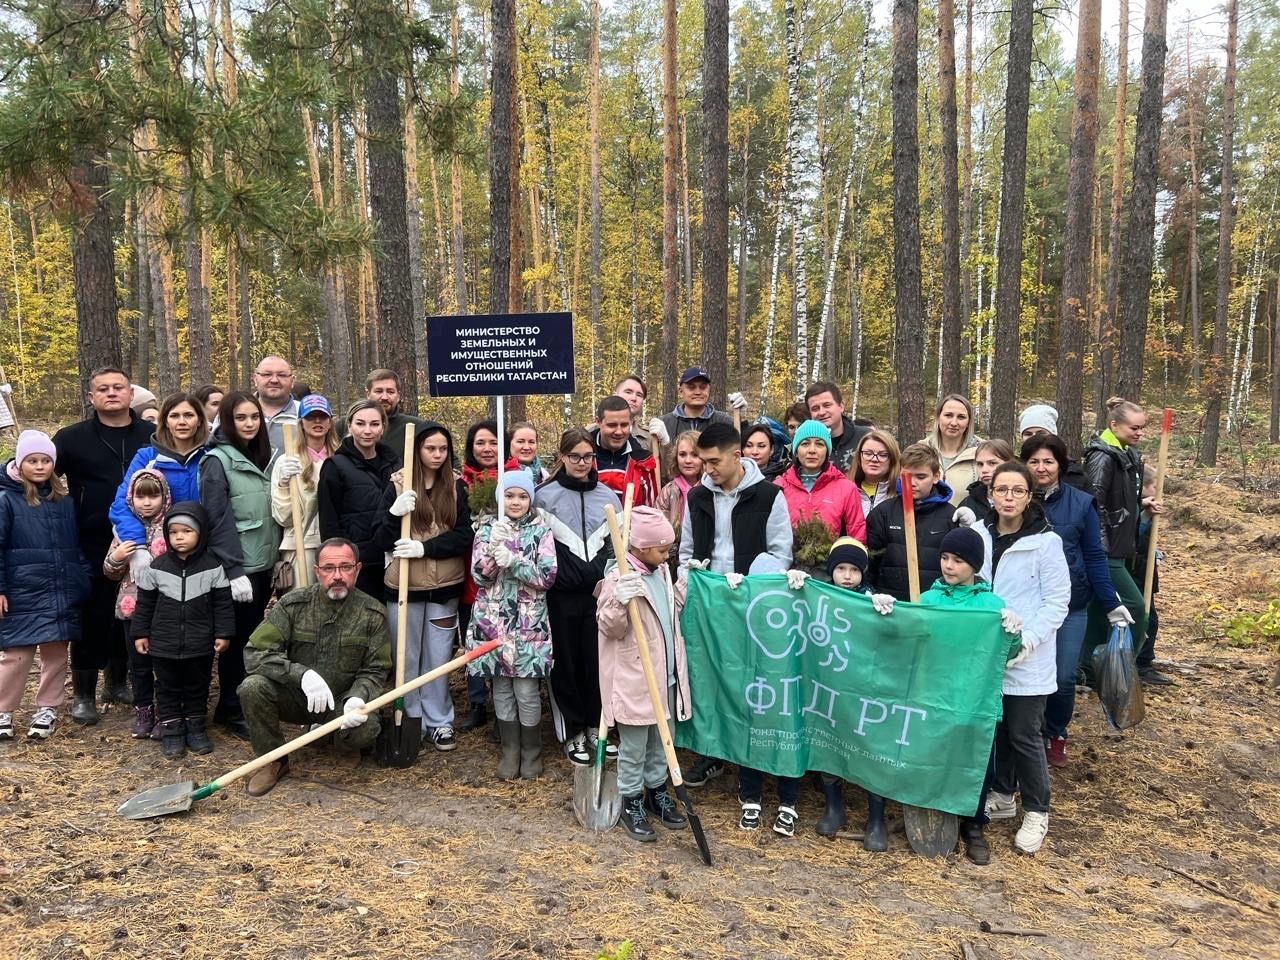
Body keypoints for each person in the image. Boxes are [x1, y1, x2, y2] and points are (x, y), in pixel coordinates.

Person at [678, 423, 793, 824]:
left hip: (754, 605)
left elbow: (781, 552)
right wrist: (691, 580)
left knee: (754, 681)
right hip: (711, 604)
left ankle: (756, 760)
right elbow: (688, 551)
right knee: (712, 678)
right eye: (701, 461)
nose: (705, 468)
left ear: (736, 456)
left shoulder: (769, 495)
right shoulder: (696, 497)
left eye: (713, 461)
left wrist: (753, 586)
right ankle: (714, 752)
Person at [238, 538, 392, 796]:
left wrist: (358, 697)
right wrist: (301, 675)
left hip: (342, 702)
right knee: (252, 688)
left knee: (366, 728)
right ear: (317, 571)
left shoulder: (372, 613)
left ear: (358, 569)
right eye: (329, 568)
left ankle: (342, 743)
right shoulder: (293, 605)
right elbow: (254, 653)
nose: (338, 576)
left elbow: (376, 669)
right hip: (299, 698)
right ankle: (274, 760)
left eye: (345, 567)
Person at [975, 461, 1070, 856]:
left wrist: (1027, 640)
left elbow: (1057, 601)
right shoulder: (979, 536)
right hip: (987, 653)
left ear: (1029, 496)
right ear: (990, 494)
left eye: (1017, 491)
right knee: (996, 731)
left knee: (1024, 733)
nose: (1009, 498)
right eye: (1002, 490)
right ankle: (1003, 793)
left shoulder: (1045, 542)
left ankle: (1037, 809)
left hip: (1027, 656)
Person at [53, 367, 155, 724]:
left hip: (144, 540)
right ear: (91, 397)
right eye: (103, 389)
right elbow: (38, 470)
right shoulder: (71, 438)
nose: (111, 393)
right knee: (93, 615)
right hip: (91, 539)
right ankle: (83, 693)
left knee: (130, 612)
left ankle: (117, 681)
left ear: (131, 394)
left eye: (118, 388)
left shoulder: (152, 435)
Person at [913, 527, 1020, 865]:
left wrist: (1013, 631)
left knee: (975, 763)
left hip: (974, 698)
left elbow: (1008, 650)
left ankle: (974, 824)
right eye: (945, 558)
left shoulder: (991, 606)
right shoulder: (929, 600)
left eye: (958, 560)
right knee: (933, 755)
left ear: (974, 565)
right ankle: (933, 812)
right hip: (935, 694)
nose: (948, 566)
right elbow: (909, 638)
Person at [1022, 432, 1125, 769]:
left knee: (1064, 675)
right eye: (1034, 461)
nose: (1041, 468)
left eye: (1048, 461)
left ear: (1061, 465)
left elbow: (1094, 556)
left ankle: (1056, 732)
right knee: (1025, 671)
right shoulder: (1016, 497)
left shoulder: (1081, 503)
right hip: (1026, 604)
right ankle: (1027, 731)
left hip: (1070, 604)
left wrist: (1111, 603)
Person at [596, 507, 691, 841]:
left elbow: (670, 611)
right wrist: (619, 602)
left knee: (659, 746)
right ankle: (630, 800)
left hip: (664, 679)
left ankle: (657, 794)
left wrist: (685, 583)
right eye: (662, 550)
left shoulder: (661, 572)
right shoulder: (618, 579)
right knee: (634, 749)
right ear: (639, 548)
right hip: (635, 681)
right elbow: (609, 627)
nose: (668, 556)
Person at [378, 422, 474, 751]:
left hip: (444, 587)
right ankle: (411, 718)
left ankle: (439, 720)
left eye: (442, 449)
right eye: (430, 448)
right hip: (404, 587)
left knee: (437, 658)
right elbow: (380, 536)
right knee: (406, 656)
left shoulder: (456, 486)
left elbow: (464, 535)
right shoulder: (399, 485)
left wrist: (426, 548)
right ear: (418, 450)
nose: (436, 454)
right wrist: (394, 513)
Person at [536, 428, 621, 763]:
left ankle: (596, 726)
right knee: (567, 662)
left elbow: (618, 545)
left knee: (598, 663)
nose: (582, 463)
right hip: (561, 595)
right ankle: (573, 730)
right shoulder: (545, 497)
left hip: (598, 595)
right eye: (575, 457)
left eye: (588, 456)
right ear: (562, 457)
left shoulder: (608, 497)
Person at [201, 391, 282, 739]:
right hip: (239, 568)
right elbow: (217, 519)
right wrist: (233, 570)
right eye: (241, 418)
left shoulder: (261, 455)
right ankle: (230, 708)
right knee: (237, 639)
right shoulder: (217, 461)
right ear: (227, 422)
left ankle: (243, 700)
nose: (249, 424)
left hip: (264, 563)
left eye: (254, 417)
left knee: (252, 635)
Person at [0, 431, 91, 741]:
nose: (39, 466)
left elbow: (73, 543)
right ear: (20, 462)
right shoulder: (5, 499)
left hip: (59, 587)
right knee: (16, 654)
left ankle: (48, 707)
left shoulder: (62, 501)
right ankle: (4, 709)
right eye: (32, 460)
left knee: (55, 652)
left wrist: (81, 576)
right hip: (21, 589)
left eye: (46, 461)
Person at [467, 472, 557, 780]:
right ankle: (510, 749)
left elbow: (546, 577)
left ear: (531, 499)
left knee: (526, 690)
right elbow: (479, 578)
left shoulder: (541, 531)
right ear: (499, 499)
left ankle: (531, 751)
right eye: (509, 496)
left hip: (528, 624)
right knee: (502, 689)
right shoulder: (486, 530)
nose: (515, 502)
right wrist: (492, 553)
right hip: (494, 622)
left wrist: (514, 559)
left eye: (522, 496)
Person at [131, 503, 235, 758]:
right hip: (163, 643)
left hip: (199, 642)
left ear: (200, 534)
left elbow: (222, 604)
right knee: (166, 687)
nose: (179, 537)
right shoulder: (157, 567)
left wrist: (223, 633)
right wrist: (141, 633)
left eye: (187, 531)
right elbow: (144, 604)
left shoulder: (213, 567)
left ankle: (196, 728)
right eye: (174, 532)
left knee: (197, 685)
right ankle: (172, 730)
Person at [813, 537, 896, 848]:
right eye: (841, 569)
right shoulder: (821, 598)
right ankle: (834, 808)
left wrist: (887, 617)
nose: (847, 576)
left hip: (866, 689)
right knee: (828, 741)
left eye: (854, 570)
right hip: (832, 686)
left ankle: (876, 817)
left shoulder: (873, 603)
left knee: (870, 747)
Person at [1081, 398, 1151, 676]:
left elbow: (1121, 501)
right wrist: (1099, 549)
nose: (1139, 433)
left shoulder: (1126, 453)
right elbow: (1094, 504)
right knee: (1133, 606)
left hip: (1120, 546)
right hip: (1105, 550)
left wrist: (1141, 506)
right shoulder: (1102, 457)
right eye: (1134, 428)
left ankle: (1088, 667)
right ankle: (1118, 670)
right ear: (1114, 425)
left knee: (1099, 608)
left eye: (1142, 428)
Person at [102, 468, 172, 739]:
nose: (146, 502)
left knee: (164, 666)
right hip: (132, 609)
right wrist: (118, 557)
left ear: (164, 497)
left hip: (165, 611)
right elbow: (109, 571)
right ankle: (144, 711)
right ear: (131, 498)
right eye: (140, 496)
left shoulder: (172, 528)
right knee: (139, 666)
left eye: (153, 496)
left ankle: (166, 714)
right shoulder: (124, 530)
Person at [318, 400, 396, 600]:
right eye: (360, 424)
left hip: (392, 558)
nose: (367, 431)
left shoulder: (394, 462)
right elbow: (329, 520)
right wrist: (338, 562)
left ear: (383, 427)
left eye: (374, 424)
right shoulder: (335, 466)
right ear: (350, 425)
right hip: (357, 562)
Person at [865, 443, 956, 601]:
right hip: (890, 604)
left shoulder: (950, 516)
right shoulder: (883, 513)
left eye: (921, 477)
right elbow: (871, 562)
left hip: (933, 604)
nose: (912, 483)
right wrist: (872, 594)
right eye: (907, 476)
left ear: (935, 477)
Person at [457, 419, 502, 729]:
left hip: (505, 574)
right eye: (480, 443)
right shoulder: (461, 482)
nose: (487, 449)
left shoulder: (514, 479)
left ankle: (502, 703)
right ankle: (476, 701)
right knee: (473, 636)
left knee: (502, 637)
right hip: (470, 573)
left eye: (493, 442)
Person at [271, 394, 338, 584]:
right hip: (301, 544)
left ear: (330, 422)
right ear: (301, 423)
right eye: (310, 417)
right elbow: (283, 517)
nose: (317, 421)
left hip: (336, 545)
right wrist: (284, 485)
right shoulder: (287, 461)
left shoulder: (341, 458)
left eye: (322, 416)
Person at [775, 419, 866, 545]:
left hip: (831, 562)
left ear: (827, 451)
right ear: (796, 450)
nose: (812, 450)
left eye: (819, 444)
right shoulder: (779, 487)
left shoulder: (846, 488)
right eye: (805, 444)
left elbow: (857, 536)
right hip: (786, 563)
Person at [1130, 465, 1171, 686]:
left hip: (1145, 571)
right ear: (1144, 487)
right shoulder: (1131, 508)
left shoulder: (1147, 509)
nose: (1158, 491)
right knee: (1143, 618)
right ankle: (1139, 662)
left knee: (1150, 619)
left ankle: (1144, 662)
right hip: (1134, 572)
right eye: (1155, 486)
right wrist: (1143, 512)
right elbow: (1132, 537)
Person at [650, 366, 742, 448]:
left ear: (709, 390)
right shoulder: (664, 424)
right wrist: (666, 444)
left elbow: (742, 451)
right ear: (680, 391)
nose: (698, 392)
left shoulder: (724, 422)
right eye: (691, 387)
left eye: (703, 387)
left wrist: (742, 419)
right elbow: (657, 462)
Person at [592, 396, 659, 506]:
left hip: (632, 522)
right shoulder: (580, 457)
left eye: (624, 425)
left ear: (631, 423)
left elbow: (650, 509)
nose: (619, 432)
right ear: (598, 422)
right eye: (612, 425)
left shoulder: (643, 462)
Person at [924, 394, 981, 507]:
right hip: (925, 522)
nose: (954, 423)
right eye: (948, 415)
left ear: (968, 422)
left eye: (961, 417)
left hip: (966, 522)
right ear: (938, 417)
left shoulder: (983, 453)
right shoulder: (922, 450)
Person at [656, 430, 703, 565]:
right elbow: (659, 528)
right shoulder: (669, 491)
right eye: (682, 454)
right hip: (672, 558)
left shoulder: (711, 490)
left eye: (695, 455)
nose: (688, 460)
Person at [1018, 403, 1087, 490]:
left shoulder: (1075, 477)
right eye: (1028, 434)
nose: (1034, 437)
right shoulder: (1013, 472)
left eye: (1041, 433)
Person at [804, 382, 869, 473]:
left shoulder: (866, 437)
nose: (822, 412)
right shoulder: (805, 445)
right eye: (815, 408)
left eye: (827, 405)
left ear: (841, 406)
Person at [363, 369, 421, 458]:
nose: (384, 397)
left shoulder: (416, 426)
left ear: (398, 396)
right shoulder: (347, 424)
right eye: (379, 391)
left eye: (390, 392)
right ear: (368, 394)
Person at [957, 439, 1015, 527]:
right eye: (980, 464)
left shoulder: (1024, 500)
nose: (984, 470)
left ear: (1009, 464)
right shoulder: (968, 503)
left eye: (992, 463)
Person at [252, 356, 300, 452]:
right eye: (267, 374)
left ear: (292, 381)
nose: (274, 380)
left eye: (281, 375)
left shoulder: (305, 414)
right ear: (255, 379)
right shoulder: (235, 412)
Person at [850, 429, 900, 519]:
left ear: (892, 460)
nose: (874, 459)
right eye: (868, 453)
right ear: (859, 457)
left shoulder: (902, 493)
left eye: (883, 455)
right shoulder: (846, 490)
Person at [614, 375, 651, 446]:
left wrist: (665, 443)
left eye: (639, 395)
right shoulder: (592, 431)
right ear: (616, 395)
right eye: (628, 392)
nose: (634, 398)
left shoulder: (649, 437)